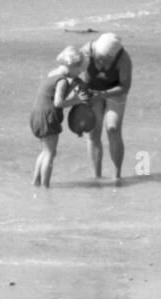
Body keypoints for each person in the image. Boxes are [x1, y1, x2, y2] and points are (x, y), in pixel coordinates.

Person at [30, 47, 90, 189]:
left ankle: (36, 183)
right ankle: (46, 187)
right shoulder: (62, 81)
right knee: (51, 153)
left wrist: (74, 86)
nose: (80, 73)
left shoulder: (52, 74)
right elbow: (58, 102)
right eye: (80, 70)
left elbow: (52, 94)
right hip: (48, 117)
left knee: (45, 151)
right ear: (72, 66)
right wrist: (77, 100)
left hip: (36, 114)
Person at [79, 33, 131, 183]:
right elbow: (73, 71)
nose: (102, 62)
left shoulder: (123, 59)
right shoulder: (86, 51)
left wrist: (102, 94)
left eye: (107, 59)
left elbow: (124, 87)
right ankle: (97, 178)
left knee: (113, 128)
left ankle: (117, 176)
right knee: (93, 132)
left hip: (115, 91)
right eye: (99, 58)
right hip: (92, 89)